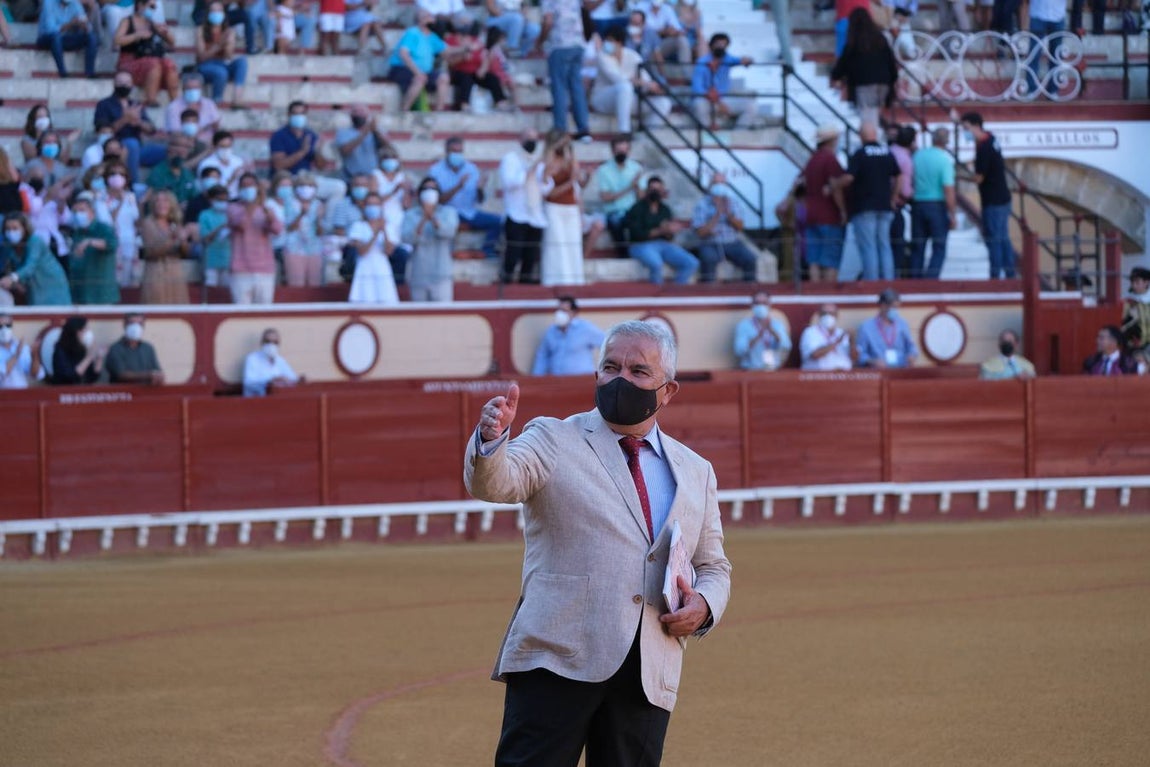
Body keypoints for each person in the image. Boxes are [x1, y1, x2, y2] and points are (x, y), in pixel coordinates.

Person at [466, 319, 731, 767]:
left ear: (667, 390)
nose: (621, 379)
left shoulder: (695, 470)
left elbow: (713, 565)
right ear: (596, 374)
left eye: (638, 371)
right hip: (556, 658)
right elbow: (498, 483)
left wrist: (704, 605)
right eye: (611, 367)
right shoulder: (553, 438)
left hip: (648, 666)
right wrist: (492, 441)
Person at [836, 122, 901, 281]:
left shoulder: (860, 154)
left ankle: (872, 282)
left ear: (861, 136)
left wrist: (834, 185)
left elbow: (849, 178)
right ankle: (888, 280)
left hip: (864, 206)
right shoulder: (886, 152)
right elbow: (899, 175)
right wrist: (893, 197)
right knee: (884, 245)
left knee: (868, 246)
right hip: (885, 206)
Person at [428, 137, 503, 261]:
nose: (457, 155)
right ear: (446, 151)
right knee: (444, 225)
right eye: (454, 151)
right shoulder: (435, 171)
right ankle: (445, 254)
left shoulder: (471, 169)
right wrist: (458, 186)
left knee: (498, 221)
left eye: (460, 151)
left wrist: (480, 189)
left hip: (469, 213)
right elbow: (438, 200)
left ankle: (487, 251)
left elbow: (480, 199)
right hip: (447, 214)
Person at [960, 112, 1015, 280]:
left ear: (976, 126)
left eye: (966, 128)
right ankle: (1010, 274)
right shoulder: (990, 139)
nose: (964, 132)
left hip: (993, 200)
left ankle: (995, 276)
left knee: (994, 240)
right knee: (1002, 238)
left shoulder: (984, 147)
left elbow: (978, 178)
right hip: (1001, 197)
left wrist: (960, 176)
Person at [590, 26, 670, 136]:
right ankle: (624, 131)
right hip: (603, 100)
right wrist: (638, 82)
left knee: (664, 103)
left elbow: (645, 79)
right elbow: (617, 78)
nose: (606, 44)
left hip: (627, 99)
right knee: (624, 87)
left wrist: (651, 87)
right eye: (606, 40)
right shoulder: (602, 55)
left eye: (610, 41)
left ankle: (646, 136)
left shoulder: (633, 56)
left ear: (619, 42)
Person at [622, 176, 698, 285]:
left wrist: (671, 230)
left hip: (663, 244)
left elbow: (669, 236)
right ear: (647, 190)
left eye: (658, 189)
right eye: (652, 189)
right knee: (656, 264)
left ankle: (677, 290)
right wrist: (661, 230)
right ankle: (657, 291)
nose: (655, 192)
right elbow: (636, 234)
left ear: (663, 191)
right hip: (640, 245)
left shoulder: (665, 209)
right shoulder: (637, 208)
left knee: (691, 263)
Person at [829, 8, 898, 127]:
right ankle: (875, 133)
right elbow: (890, 61)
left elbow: (843, 64)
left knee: (867, 117)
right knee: (875, 114)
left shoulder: (853, 43)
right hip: (883, 82)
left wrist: (835, 76)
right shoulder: (880, 39)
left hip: (864, 84)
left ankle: (871, 135)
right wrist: (894, 79)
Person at [93, 71, 164, 184]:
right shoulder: (104, 104)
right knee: (131, 144)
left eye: (127, 83)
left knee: (169, 151)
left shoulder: (135, 104)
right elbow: (103, 130)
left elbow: (151, 130)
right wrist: (124, 120)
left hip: (139, 149)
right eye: (120, 82)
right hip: (116, 148)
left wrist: (139, 123)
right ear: (114, 84)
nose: (124, 85)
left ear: (132, 85)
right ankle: (132, 184)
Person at [537, 0, 591, 141]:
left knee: (559, 88)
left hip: (560, 45)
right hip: (577, 44)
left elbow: (548, 22)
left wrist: (539, 41)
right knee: (577, 88)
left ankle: (560, 130)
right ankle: (583, 129)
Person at [690, 172, 757, 283]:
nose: (719, 186)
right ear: (710, 186)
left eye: (722, 183)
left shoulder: (734, 202)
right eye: (716, 183)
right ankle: (709, 290)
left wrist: (728, 214)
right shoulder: (702, 204)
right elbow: (700, 232)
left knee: (750, 259)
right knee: (708, 259)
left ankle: (749, 289)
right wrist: (717, 214)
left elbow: (740, 227)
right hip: (710, 243)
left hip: (732, 242)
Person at [499, 128, 546, 285]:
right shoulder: (510, 159)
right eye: (529, 137)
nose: (532, 141)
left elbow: (545, 188)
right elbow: (509, 183)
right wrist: (530, 171)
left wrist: (546, 177)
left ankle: (525, 285)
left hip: (535, 214)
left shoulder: (539, 161)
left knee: (531, 256)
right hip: (516, 213)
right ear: (520, 139)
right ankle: (506, 284)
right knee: (513, 253)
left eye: (535, 138)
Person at [227, 172, 282, 303]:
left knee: (264, 312)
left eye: (251, 185)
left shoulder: (267, 208)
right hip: (241, 269)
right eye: (244, 186)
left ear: (257, 188)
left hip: (265, 269)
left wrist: (264, 208)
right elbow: (242, 225)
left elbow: (277, 229)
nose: (247, 188)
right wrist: (253, 204)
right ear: (239, 189)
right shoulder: (233, 208)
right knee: (241, 311)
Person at [539, 131, 585, 286]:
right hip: (554, 207)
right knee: (556, 244)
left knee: (573, 244)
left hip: (571, 207)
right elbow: (549, 193)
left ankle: (575, 279)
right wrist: (569, 182)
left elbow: (578, 183)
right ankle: (555, 280)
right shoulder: (547, 163)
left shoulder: (571, 160)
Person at [402, 177, 459, 302]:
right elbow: (406, 238)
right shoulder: (410, 215)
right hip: (418, 274)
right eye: (426, 189)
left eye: (433, 189)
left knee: (443, 312)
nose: (429, 192)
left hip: (442, 274)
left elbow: (449, 233)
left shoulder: (448, 212)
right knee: (419, 313)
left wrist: (432, 217)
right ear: (420, 193)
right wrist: (423, 219)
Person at [802, 124, 846, 283]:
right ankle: (829, 291)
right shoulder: (830, 159)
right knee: (830, 260)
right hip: (829, 216)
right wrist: (842, 210)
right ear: (832, 140)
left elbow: (800, 183)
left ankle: (815, 290)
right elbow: (835, 187)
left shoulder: (812, 160)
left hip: (811, 214)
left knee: (813, 260)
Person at [113, 0, 179, 106]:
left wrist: (165, 33)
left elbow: (172, 42)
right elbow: (117, 41)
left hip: (151, 59)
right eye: (151, 6)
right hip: (130, 61)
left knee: (169, 64)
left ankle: (175, 103)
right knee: (154, 64)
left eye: (154, 7)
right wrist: (137, 35)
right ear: (140, 5)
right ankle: (151, 99)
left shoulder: (152, 23)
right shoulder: (127, 21)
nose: (153, 9)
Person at [910, 127, 956, 280]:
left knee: (918, 246)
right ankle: (931, 280)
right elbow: (948, 189)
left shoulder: (918, 156)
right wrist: (952, 214)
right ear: (946, 142)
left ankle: (915, 281)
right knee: (939, 247)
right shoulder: (944, 160)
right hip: (936, 205)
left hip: (918, 203)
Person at [386, 9, 452, 112]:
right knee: (420, 79)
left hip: (424, 71)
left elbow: (447, 50)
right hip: (402, 69)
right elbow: (403, 54)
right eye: (429, 17)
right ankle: (404, 110)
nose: (432, 20)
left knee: (443, 77)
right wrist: (418, 72)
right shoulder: (412, 32)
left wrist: (465, 48)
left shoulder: (432, 36)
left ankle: (439, 111)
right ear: (421, 20)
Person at [0, 213, 72, 305]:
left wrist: (12, 278)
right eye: (8, 229)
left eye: (15, 228)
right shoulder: (9, 246)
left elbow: (30, 266)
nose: (11, 232)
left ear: (25, 229)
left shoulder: (35, 241)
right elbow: (8, 267)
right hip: (33, 287)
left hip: (51, 284)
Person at [690, 33, 756, 131]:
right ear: (711, 45)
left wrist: (748, 60)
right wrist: (718, 102)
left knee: (750, 105)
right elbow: (697, 88)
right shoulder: (702, 62)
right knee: (698, 104)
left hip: (723, 99)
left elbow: (741, 60)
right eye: (718, 44)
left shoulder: (727, 59)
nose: (721, 47)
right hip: (706, 99)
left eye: (723, 44)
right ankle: (707, 132)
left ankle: (738, 134)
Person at [591, 135, 643, 259]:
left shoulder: (636, 168)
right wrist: (629, 187)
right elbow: (606, 197)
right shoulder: (604, 170)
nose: (622, 153)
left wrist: (637, 187)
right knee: (615, 222)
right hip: (614, 211)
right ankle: (624, 256)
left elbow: (641, 197)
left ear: (629, 151)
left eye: (624, 150)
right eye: (619, 150)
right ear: (613, 151)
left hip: (632, 211)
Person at [138, 189, 191, 304]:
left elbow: (185, 253)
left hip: (175, 272)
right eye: (158, 201)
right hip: (156, 272)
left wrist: (183, 241)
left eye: (165, 201)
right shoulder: (148, 223)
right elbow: (151, 251)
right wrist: (173, 239)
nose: (161, 204)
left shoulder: (175, 223)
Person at [93, 160, 141, 286]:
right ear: (107, 177)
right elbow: (106, 223)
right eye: (113, 173)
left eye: (121, 174)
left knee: (130, 285)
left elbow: (136, 220)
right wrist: (119, 203)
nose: (117, 177)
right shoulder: (100, 197)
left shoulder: (130, 196)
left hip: (130, 244)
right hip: (111, 246)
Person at [346, 191, 399, 304]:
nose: (373, 208)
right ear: (364, 206)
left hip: (382, 269)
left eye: (376, 204)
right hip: (364, 270)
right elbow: (362, 251)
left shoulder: (389, 226)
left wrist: (384, 231)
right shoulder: (358, 226)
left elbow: (389, 251)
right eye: (369, 204)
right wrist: (375, 234)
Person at [531, 295, 605, 375]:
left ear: (574, 313)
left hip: (581, 378)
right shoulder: (551, 331)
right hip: (557, 379)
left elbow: (606, 344)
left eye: (564, 311)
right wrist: (537, 376)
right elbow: (542, 356)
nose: (560, 314)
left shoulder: (586, 329)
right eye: (559, 310)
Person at [67, 192, 120, 304]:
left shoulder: (103, 228)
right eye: (75, 212)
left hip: (102, 295)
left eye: (82, 210)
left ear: (92, 212)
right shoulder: (77, 233)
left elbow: (112, 243)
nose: (78, 214)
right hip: (82, 294)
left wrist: (90, 242)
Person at [196, 1, 248, 107]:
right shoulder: (200, 30)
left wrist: (229, 44)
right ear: (208, 14)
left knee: (242, 62)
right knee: (221, 72)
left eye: (219, 11)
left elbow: (228, 56)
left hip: (222, 63)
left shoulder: (228, 31)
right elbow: (202, 57)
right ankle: (216, 101)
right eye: (213, 11)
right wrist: (219, 45)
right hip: (205, 65)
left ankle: (237, 98)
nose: (216, 13)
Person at [855, 288, 918, 368]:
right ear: (883, 306)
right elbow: (860, 355)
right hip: (879, 371)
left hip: (901, 369)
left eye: (897, 307)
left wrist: (912, 355)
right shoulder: (866, 327)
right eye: (893, 307)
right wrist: (872, 361)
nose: (896, 311)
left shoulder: (902, 324)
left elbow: (911, 347)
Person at [281, 173, 325, 287]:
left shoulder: (318, 204)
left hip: (314, 249)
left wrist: (319, 219)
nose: (306, 189)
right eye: (302, 185)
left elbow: (320, 232)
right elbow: (289, 228)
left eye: (310, 185)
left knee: (314, 286)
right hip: (294, 249)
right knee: (296, 285)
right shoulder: (289, 203)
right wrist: (302, 214)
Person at [37, 0, 99, 79]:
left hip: (63, 38)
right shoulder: (48, 2)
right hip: (46, 38)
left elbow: (88, 26)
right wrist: (71, 24)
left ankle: (90, 72)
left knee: (91, 37)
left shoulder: (75, 3)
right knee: (56, 37)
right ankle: (62, 72)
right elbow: (50, 30)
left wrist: (84, 26)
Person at [335, 104, 396, 182]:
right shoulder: (343, 132)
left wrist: (375, 131)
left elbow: (388, 147)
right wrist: (364, 133)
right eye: (355, 112)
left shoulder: (377, 131)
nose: (358, 114)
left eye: (361, 112)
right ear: (351, 116)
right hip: (351, 177)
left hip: (373, 177)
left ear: (367, 115)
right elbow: (345, 151)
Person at [733, 291, 792, 371]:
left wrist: (773, 332)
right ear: (752, 305)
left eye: (764, 303)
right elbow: (739, 350)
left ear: (769, 305)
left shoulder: (777, 325)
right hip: (750, 370)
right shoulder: (743, 325)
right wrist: (758, 336)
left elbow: (786, 346)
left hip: (772, 369)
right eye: (757, 303)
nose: (761, 306)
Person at [105, 312, 164, 384]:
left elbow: (157, 371)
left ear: (143, 326)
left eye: (140, 324)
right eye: (132, 323)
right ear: (124, 325)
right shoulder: (115, 348)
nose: (136, 327)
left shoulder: (148, 348)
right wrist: (148, 375)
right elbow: (120, 374)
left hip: (146, 390)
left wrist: (159, 376)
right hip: (124, 390)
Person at [888, 124, 915, 278]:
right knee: (898, 243)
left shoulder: (890, 151)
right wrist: (910, 196)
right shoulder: (905, 158)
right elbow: (904, 188)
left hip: (885, 202)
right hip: (896, 203)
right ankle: (894, 276)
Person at [1024, 0, 1067, 98]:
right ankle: (1031, 89)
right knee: (1034, 54)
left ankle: (1053, 89)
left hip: (1058, 15)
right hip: (1038, 14)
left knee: (1056, 55)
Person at [242, 327, 301, 396]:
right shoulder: (252, 359)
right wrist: (270, 381)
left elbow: (292, 379)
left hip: (278, 397)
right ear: (261, 343)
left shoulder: (280, 360)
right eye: (268, 342)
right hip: (257, 399)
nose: (271, 345)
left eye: (275, 342)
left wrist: (294, 380)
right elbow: (249, 383)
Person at [197, 183, 232, 287]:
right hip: (210, 261)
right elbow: (205, 239)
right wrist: (220, 229)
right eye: (219, 200)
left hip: (228, 260)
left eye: (225, 200)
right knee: (210, 290)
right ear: (211, 200)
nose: (223, 202)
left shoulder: (231, 214)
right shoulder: (205, 215)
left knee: (226, 292)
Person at [51, 316, 104, 385]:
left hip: (82, 390)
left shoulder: (82, 349)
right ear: (76, 331)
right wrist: (90, 356)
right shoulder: (60, 350)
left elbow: (92, 377)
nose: (88, 333)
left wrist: (100, 358)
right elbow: (71, 376)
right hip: (64, 389)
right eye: (85, 329)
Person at [800, 303, 852, 370]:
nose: (828, 316)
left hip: (843, 373)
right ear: (819, 315)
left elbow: (854, 358)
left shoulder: (841, 332)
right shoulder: (810, 332)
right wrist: (837, 342)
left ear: (837, 316)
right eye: (824, 314)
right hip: (818, 374)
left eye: (832, 314)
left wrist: (852, 341)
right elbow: (815, 355)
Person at [639, 0, 691, 66]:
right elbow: (639, 30)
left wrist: (672, 32)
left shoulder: (667, 9)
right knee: (654, 48)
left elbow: (678, 30)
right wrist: (662, 32)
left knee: (682, 40)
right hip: (646, 45)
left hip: (661, 44)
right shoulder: (641, 6)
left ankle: (685, 70)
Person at [198, 130, 248, 198]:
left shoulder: (238, 161)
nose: (226, 149)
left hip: (237, 199)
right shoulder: (206, 164)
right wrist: (232, 178)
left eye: (229, 146)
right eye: (222, 146)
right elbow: (210, 190)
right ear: (215, 147)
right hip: (216, 200)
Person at [0, 313, 43, 389]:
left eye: (8, 326)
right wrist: (17, 354)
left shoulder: (22, 347)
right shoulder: (19, 349)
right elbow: (3, 371)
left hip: (22, 393)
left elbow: (35, 374)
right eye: (0, 326)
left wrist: (35, 355)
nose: (4, 329)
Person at [1120, 266, 1150, 353]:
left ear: (1146, 282)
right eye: (1132, 282)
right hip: (1134, 345)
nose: (1134, 285)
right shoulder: (1128, 302)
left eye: (1137, 282)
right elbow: (1122, 325)